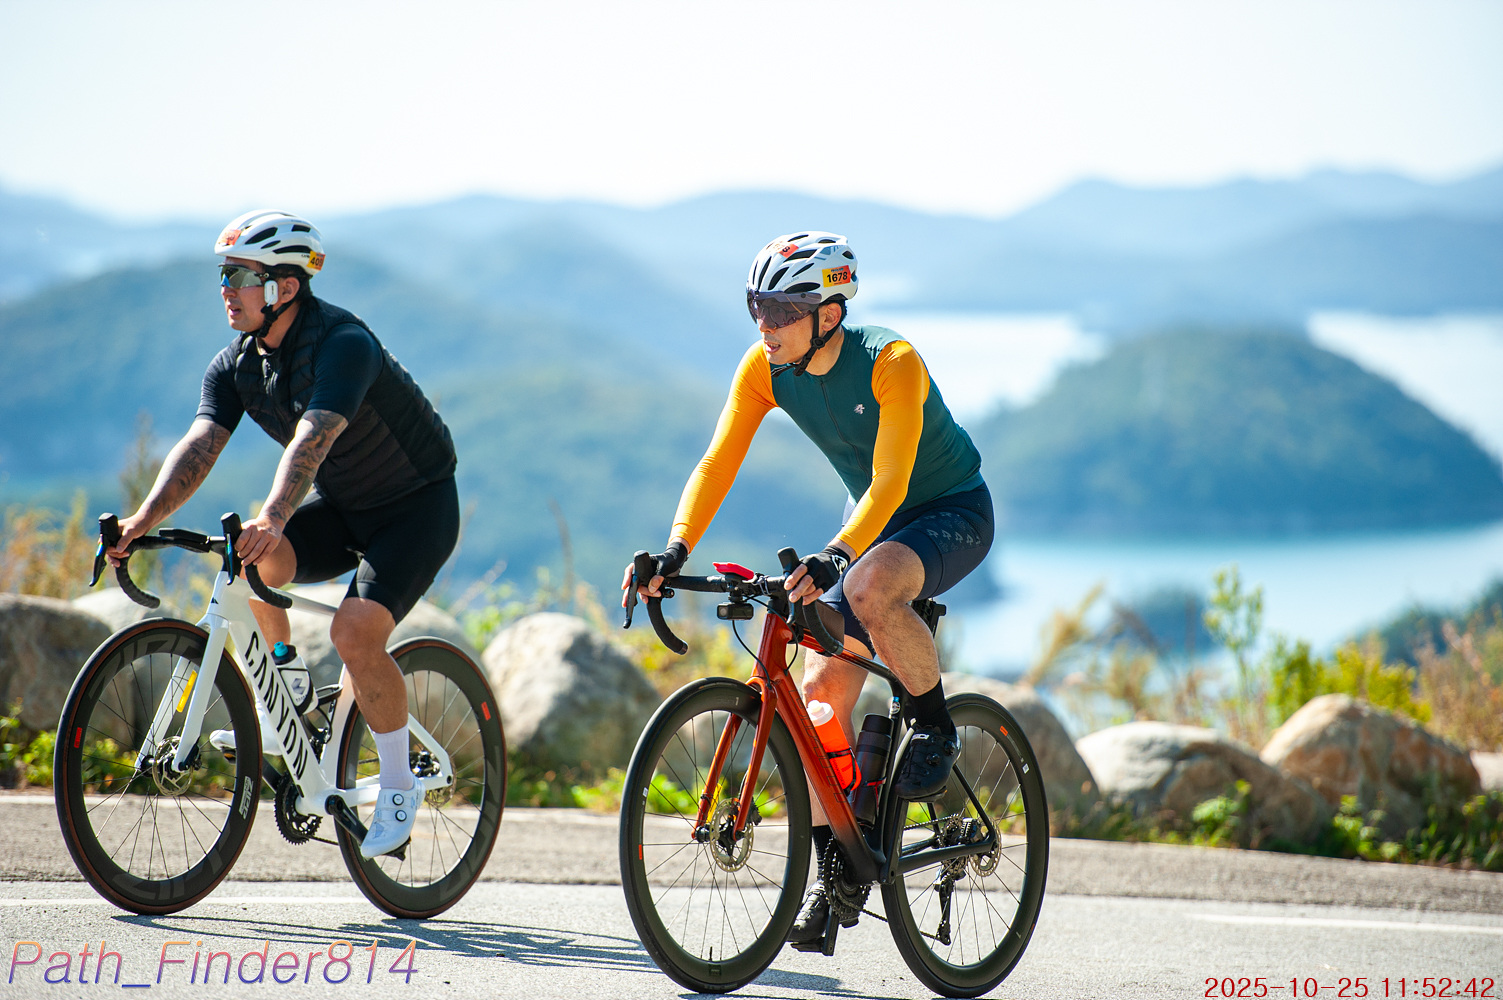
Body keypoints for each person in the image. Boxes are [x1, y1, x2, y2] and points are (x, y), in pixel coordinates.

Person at [623, 231, 995, 944]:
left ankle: (935, 724)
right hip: (870, 525)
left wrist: (837, 556)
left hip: (950, 512)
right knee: (818, 699)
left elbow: (891, 481)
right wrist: (674, 550)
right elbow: (717, 462)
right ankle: (839, 872)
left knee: (872, 585)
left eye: (780, 311)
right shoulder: (764, 368)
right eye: (755, 307)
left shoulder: (892, 362)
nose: (764, 325)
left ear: (829, 313)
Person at [107, 209, 460, 859]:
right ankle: (286, 684)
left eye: (240, 276)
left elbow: (313, 439)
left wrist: (272, 516)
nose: (226, 289)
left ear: (285, 287)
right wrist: (140, 521)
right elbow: (199, 447)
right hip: (345, 505)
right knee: (247, 565)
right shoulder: (236, 365)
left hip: (416, 509)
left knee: (354, 632)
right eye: (223, 274)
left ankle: (398, 785)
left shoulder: (344, 345)